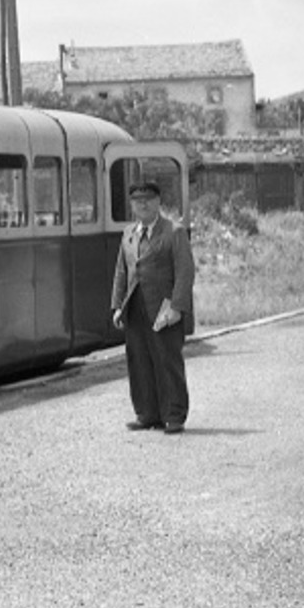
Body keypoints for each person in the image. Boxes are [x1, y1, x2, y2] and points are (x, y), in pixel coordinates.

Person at [110, 181, 196, 434]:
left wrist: (177, 307)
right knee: (139, 362)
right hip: (135, 309)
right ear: (132, 205)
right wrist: (117, 305)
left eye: (148, 199)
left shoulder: (174, 232)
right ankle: (146, 414)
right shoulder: (128, 234)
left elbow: (185, 272)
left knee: (167, 362)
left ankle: (174, 416)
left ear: (159, 202)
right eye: (137, 200)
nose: (143, 204)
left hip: (164, 310)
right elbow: (121, 271)